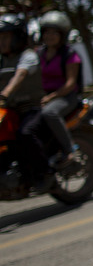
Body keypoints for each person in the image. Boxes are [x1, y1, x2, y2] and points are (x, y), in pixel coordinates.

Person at [0, 15, 48, 196]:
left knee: (25, 133)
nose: (2, 42)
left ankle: (43, 173)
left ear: (18, 37)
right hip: (10, 110)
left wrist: (6, 92)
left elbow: (19, 75)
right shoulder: (2, 60)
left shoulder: (28, 56)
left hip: (31, 108)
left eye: (5, 37)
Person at [36, 11, 81, 168]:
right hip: (43, 96)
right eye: (47, 32)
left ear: (62, 35)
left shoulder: (69, 54)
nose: (50, 36)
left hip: (65, 97)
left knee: (50, 113)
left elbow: (70, 84)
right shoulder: (38, 54)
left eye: (55, 32)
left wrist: (51, 97)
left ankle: (70, 149)